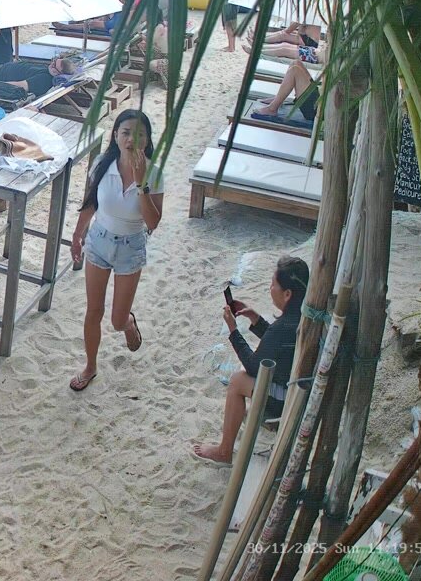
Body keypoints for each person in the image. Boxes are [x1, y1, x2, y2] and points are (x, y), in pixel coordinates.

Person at [68, 110, 164, 391]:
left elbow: (153, 222)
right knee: (93, 310)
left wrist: (141, 183)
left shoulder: (155, 173)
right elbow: (90, 204)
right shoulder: (102, 163)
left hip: (130, 246)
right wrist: (77, 235)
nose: (132, 139)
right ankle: (90, 366)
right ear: (115, 136)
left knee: (117, 319)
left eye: (140, 134)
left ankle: (129, 324)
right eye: (126, 133)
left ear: (147, 140)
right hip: (99, 240)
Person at [191, 256, 310, 464]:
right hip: (301, 391)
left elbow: (254, 366)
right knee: (244, 372)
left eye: (273, 284)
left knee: (238, 381)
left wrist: (233, 330)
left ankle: (224, 451)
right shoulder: (301, 317)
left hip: (286, 400)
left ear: (287, 294)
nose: (270, 288)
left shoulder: (281, 328)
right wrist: (256, 319)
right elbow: (277, 346)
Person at [254, 59, 319, 119]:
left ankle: (272, 109)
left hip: (316, 108)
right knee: (296, 62)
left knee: (295, 70)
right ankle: (278, 100)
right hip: (319, 97)